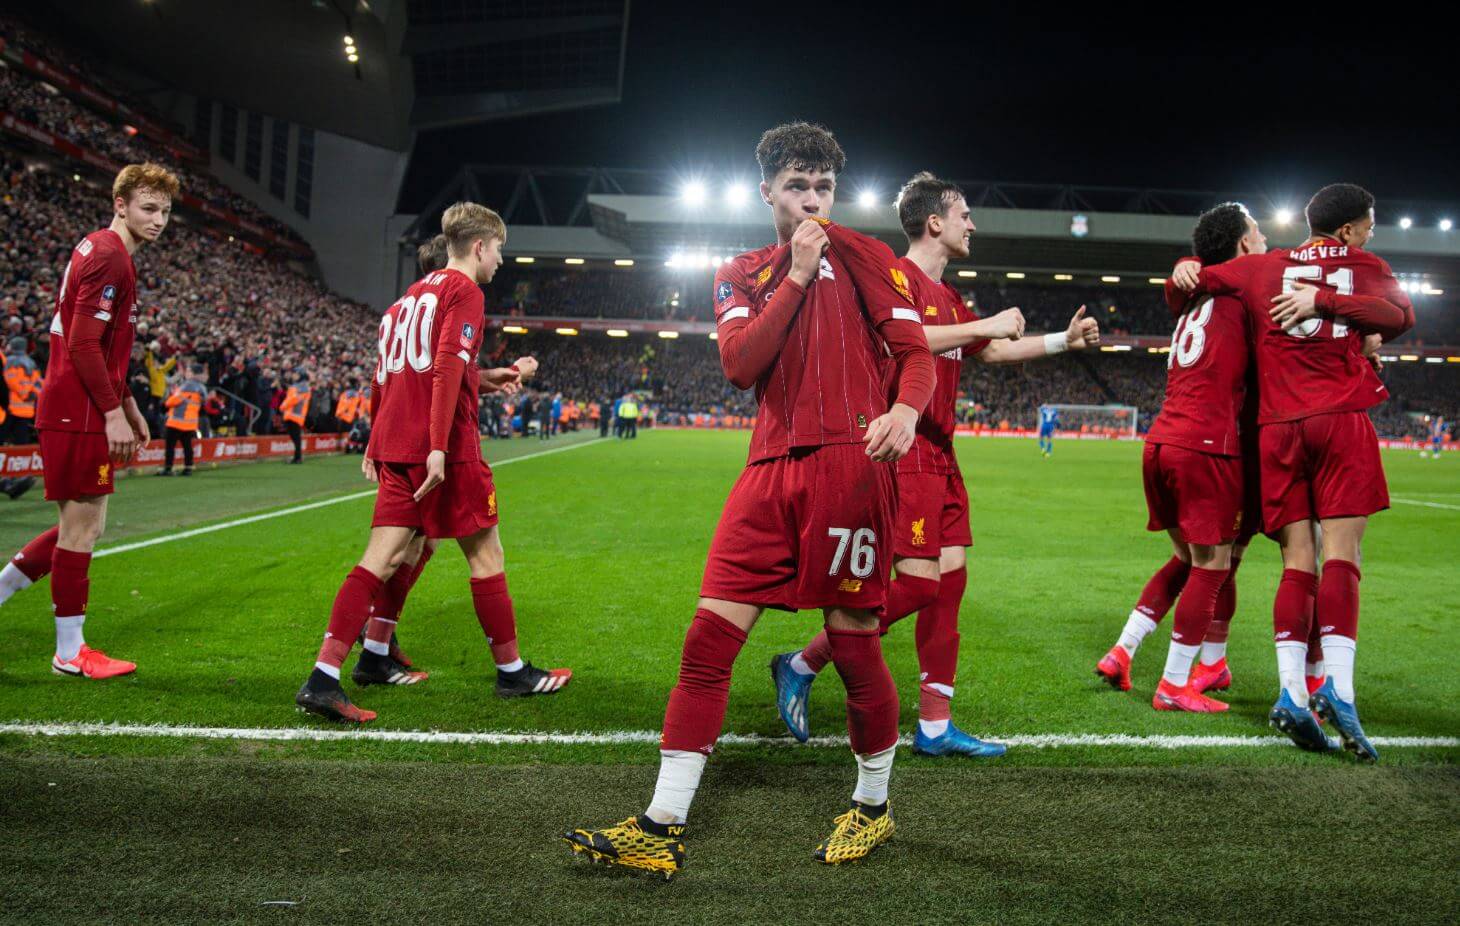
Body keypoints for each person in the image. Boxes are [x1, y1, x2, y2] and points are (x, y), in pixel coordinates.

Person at [564, 122, 934, 876]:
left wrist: (906, 410)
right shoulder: (742, 272)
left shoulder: (870, 258)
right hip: (767, 472)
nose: (812, 201)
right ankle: (660, 825)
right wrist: (795, 275)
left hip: (849, 467)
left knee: (856, 643)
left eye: (824, 188)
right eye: (797, 187)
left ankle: (872, 808)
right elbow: (740, 364)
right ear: (766, 191)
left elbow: (917, 355)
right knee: (707, 642)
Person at [771, 171, 1099, 755]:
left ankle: (934, 725)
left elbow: (993, 348)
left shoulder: (949, 296)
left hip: (943, 453)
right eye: (965, 213)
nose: (973, 223)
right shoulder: (889, 276)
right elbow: (907, 335)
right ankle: (801, 661)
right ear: (935, 222)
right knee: (920, 586)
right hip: (907, 446)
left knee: (950, 582)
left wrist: (1061, 343)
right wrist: (982, 325)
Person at [294, 201, 568, 723]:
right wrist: (440, 446)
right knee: (487, 557)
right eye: (500, 251)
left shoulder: (403, 303)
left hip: (397, 444)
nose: (501, 262)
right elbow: (443, 366)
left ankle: (325, 675)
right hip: (445, 447)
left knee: (381, 558)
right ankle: (512, 671)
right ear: (480, 246)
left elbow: (391, 375)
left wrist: (378, 441)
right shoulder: (465, 291)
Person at [1169, 183, 1414, 760]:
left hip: (1277, 430)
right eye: (1370, 224)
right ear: (1350, 230)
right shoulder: (1365, 264)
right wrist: (1331, 305)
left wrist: (1183, 264)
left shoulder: (1262, 266)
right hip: (1340, 420)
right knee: (1343, 557)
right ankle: (1338, 687)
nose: (1371, 233)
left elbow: (1191, 281)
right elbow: (1401, 315)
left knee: (1296, 559)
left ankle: (1289, 693)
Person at [0, 162, 178, 678]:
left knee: (80, 524)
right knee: (82, 528)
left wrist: (128, 404)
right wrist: (109, 412)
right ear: (120, 205)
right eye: (148, 207)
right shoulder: (110, 257)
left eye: (165, 210)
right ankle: (69, 651)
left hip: (77, 403)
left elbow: (100, 345)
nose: (159, 219)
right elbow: (81, 343)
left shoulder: (105, 249)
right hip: (76, 408)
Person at [1095, 204, 1267, 711]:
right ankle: (1173, 684)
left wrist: (1181, 270)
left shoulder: (1198, 294)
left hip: (1163, 440)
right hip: (1206, 445)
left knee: (1187, 559)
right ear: (1242, 245)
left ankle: (1123, 651)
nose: (1265, 242)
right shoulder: (1246, 282)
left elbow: (1182, 285)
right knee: (1213, 565)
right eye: (1258, 233)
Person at [160, 363, 207, 476]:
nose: (186, 373)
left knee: (170, 446)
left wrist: (170, 398)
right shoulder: (202, 388)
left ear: (193, 374)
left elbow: (171, 402)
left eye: (188, 371)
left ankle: (168, 468)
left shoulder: (187, 386)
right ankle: (188, 468)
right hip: (190, 423)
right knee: (187, 447)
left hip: (177, 421)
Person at [2, 336, 42, 445]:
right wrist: (34, 394)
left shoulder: (9, 361)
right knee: (22, 440)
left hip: (10, 407)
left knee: (2, 436)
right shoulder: (31, 362)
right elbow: (39, 383)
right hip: (27, 407)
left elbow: (10, 381)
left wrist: (24, 394)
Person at [280, 371, 311, 463]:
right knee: (296, 437)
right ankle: (298, 457)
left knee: (295, 437)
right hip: (298, 415)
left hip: (292, 414)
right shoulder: (304, 387)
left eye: (296, 374)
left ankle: (297, 458)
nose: (294, 375)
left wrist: (283, 406)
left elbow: (293, 399)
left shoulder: (298, 387)